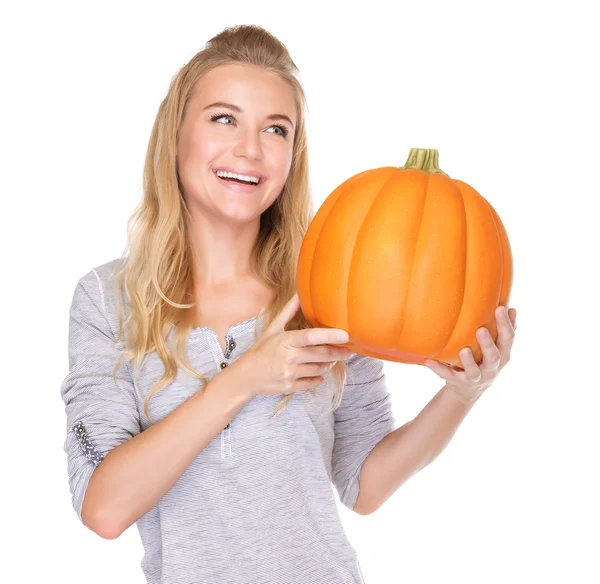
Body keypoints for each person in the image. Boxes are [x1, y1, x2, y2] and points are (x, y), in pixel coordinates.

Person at [60, 23, 517, 584]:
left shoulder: (330, 287)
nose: (250, 149)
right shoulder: (109, 302)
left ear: (291, 155)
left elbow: (364, 485)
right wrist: (244, 377)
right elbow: (103, 509)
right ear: (176, 135)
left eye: (275, 129)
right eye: (224, 118)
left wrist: (461, 394)